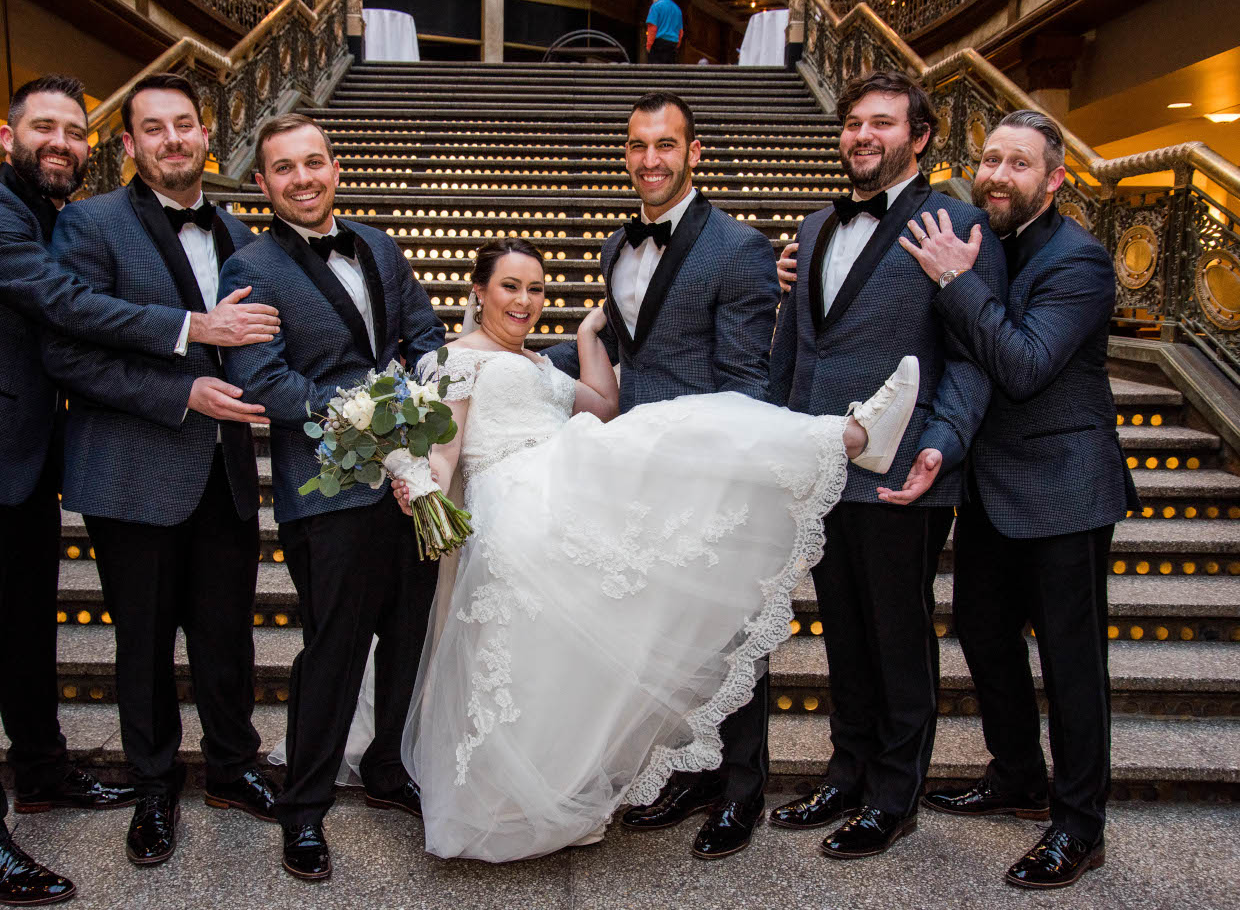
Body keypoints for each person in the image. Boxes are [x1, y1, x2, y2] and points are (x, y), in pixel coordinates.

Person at [394, 238, 921, 862]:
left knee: (677, 432)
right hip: (514, 498)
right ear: (477, 292)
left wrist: (592, 333)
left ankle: (844, 437)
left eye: (536, 289)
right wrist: (421, 484)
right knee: (674, 431)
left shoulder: (541, 365)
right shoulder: (454, 361)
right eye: (510, 286)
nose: (526, 301)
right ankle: (848, 436)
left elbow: (602, 404)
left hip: (557, 482)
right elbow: (444, 451)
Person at [0, 73, 276, 907]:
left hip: (26, 463)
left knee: (26, 634)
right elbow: (65, 307)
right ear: (7, 137)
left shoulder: (59, 218)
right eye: (44, 129)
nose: (59, 143)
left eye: (72, 131)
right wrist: (191, 333)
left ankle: (44, 773)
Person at [42, 73, 281, 868]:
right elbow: (68, 353)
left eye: (185, 124)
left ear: (207, 136)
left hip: (225, 474)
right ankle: (153, 785)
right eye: (155, 128)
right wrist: (183, 392)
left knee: (226, 636)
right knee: (142, 642)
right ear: (130, 143)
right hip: (134, 472)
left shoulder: (244, 231)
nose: (173, 139)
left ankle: (233, 765)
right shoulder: (88, 225)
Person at [766, 70, 1004, 859]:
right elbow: (801, 347)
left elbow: (973, 359)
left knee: (899, 634)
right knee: (841, 630)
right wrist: (780, 437)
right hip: (822, 463)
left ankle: (894, 793)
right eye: (852, 123)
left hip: (904, 467)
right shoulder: (813, 226)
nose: (862, 136)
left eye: (881, 122)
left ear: (921, 136)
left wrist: (942, 442)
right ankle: (846, 768)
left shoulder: (959, 224)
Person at [898, 109, 1137, 889]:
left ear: (1055, 177)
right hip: (994, 486)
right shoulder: (980, 246)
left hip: (1066, 485)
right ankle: (1017, 774)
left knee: (1073, 662)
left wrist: (957, 284)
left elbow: (1027, 363)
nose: (998, 175)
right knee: (979, 625)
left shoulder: (1080, 261)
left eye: (1019, 164)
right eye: (991, 159)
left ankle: (1079, 825)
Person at [544, 90, 780, 859]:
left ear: (694, 153)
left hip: (712, 469)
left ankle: (742, 788)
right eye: (639, 145)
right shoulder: (617, 245)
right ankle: (693, 770)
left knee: (731, 630)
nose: (651, 159)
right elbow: (629, 355)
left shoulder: (738, 248)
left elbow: (745, 379)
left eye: (666, 145)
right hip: (640, 466)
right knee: (669, 634)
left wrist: (717, 472)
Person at [218, 112, 446, 883]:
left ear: (335, 165)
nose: (303, 178)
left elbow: (423, 332)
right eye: (285, 168)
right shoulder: (249, 266)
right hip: (327, 494)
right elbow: (266, 382)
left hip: (412, 487)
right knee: (334, 651)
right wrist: (357, 418)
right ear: (263, 183)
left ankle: (386, 765)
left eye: (313, 162)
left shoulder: (379, 243)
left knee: (409, 633)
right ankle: (304, 806)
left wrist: (427, 398)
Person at [646, 0, 684, 64]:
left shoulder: (655, 6)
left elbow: (652, 27)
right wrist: (677, 45)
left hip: (659, 44)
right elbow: (680, 31)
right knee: (669, 72)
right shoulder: (677, 9)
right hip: (672, 45)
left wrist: (649, 45)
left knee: (656, 72)